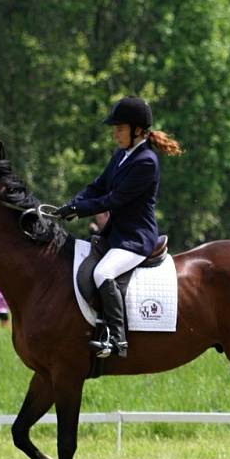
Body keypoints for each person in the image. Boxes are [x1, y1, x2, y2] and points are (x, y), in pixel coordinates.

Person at [56, 96, 183, 358]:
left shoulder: (146, 161)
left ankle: (117, 338)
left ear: (137, 130)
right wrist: (72, 204)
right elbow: (98, 186)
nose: (115, 134)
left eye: (119, 129)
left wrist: (80, 210)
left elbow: (115, 199)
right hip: (116, 234)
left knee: (103, 273)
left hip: (135, 238)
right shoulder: (121, 155)